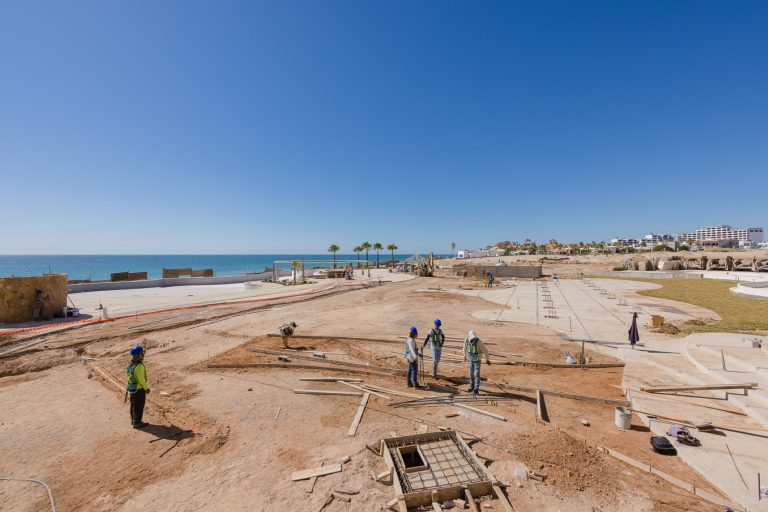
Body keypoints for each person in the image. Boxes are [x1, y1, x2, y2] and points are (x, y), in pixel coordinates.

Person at [126, 345, 150, 429]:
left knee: (133, 405)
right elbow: (141, 380)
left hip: (132, 389)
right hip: (139, 389)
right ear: (138, 355)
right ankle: (137, 422)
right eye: (142, 354)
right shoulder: (139, 366)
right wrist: (146, 388)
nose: (143, 356)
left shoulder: (129, 365)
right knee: (139, 406)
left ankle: (133, 420)